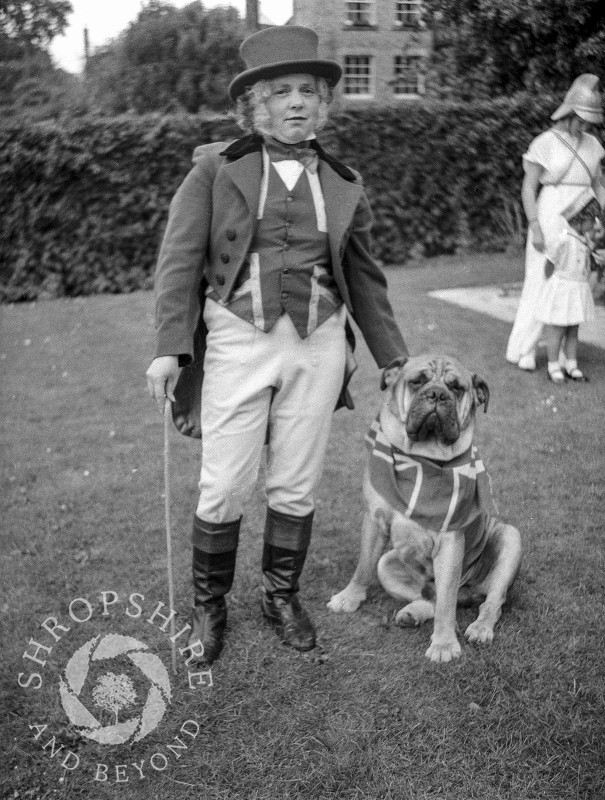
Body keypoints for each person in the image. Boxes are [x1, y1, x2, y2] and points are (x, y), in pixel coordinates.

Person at [145, 26, 408, 665]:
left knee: (295, 482)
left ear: (324, 104)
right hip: (237, 339)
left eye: (309, 92)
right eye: (282, 92)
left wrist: (392, 355)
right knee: (227, 482)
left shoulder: (344, 182)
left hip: (318, 344)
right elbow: (178, 260)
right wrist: (169, 347)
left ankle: (281, 595)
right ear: (255, 105)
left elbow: (365, 273)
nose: (297, 103)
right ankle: (210, 608)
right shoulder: (215, 167)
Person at [505, 74, 605, 372]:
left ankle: (560, 353)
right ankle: (524, 348)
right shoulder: (544, 143)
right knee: (542, 279)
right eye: (581, 119)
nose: (586, 126)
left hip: (584, 220)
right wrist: (535, 225)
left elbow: (598, 184)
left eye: (590, 121)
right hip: (550, 218)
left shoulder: (594, 145)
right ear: (569, 113)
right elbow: (528, 188)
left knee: (572, 284)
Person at [536, 196, 605, 382]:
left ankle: (571, 365)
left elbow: (585, 266)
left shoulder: (583, 241)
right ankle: (553, 367)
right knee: (557, 330)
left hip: (577, 289)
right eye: (591, 220)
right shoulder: (564, 239)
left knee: (573, 329)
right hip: (562, 288)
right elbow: (549, 264)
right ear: (580, 219)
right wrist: (551, 284)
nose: (594, 224)